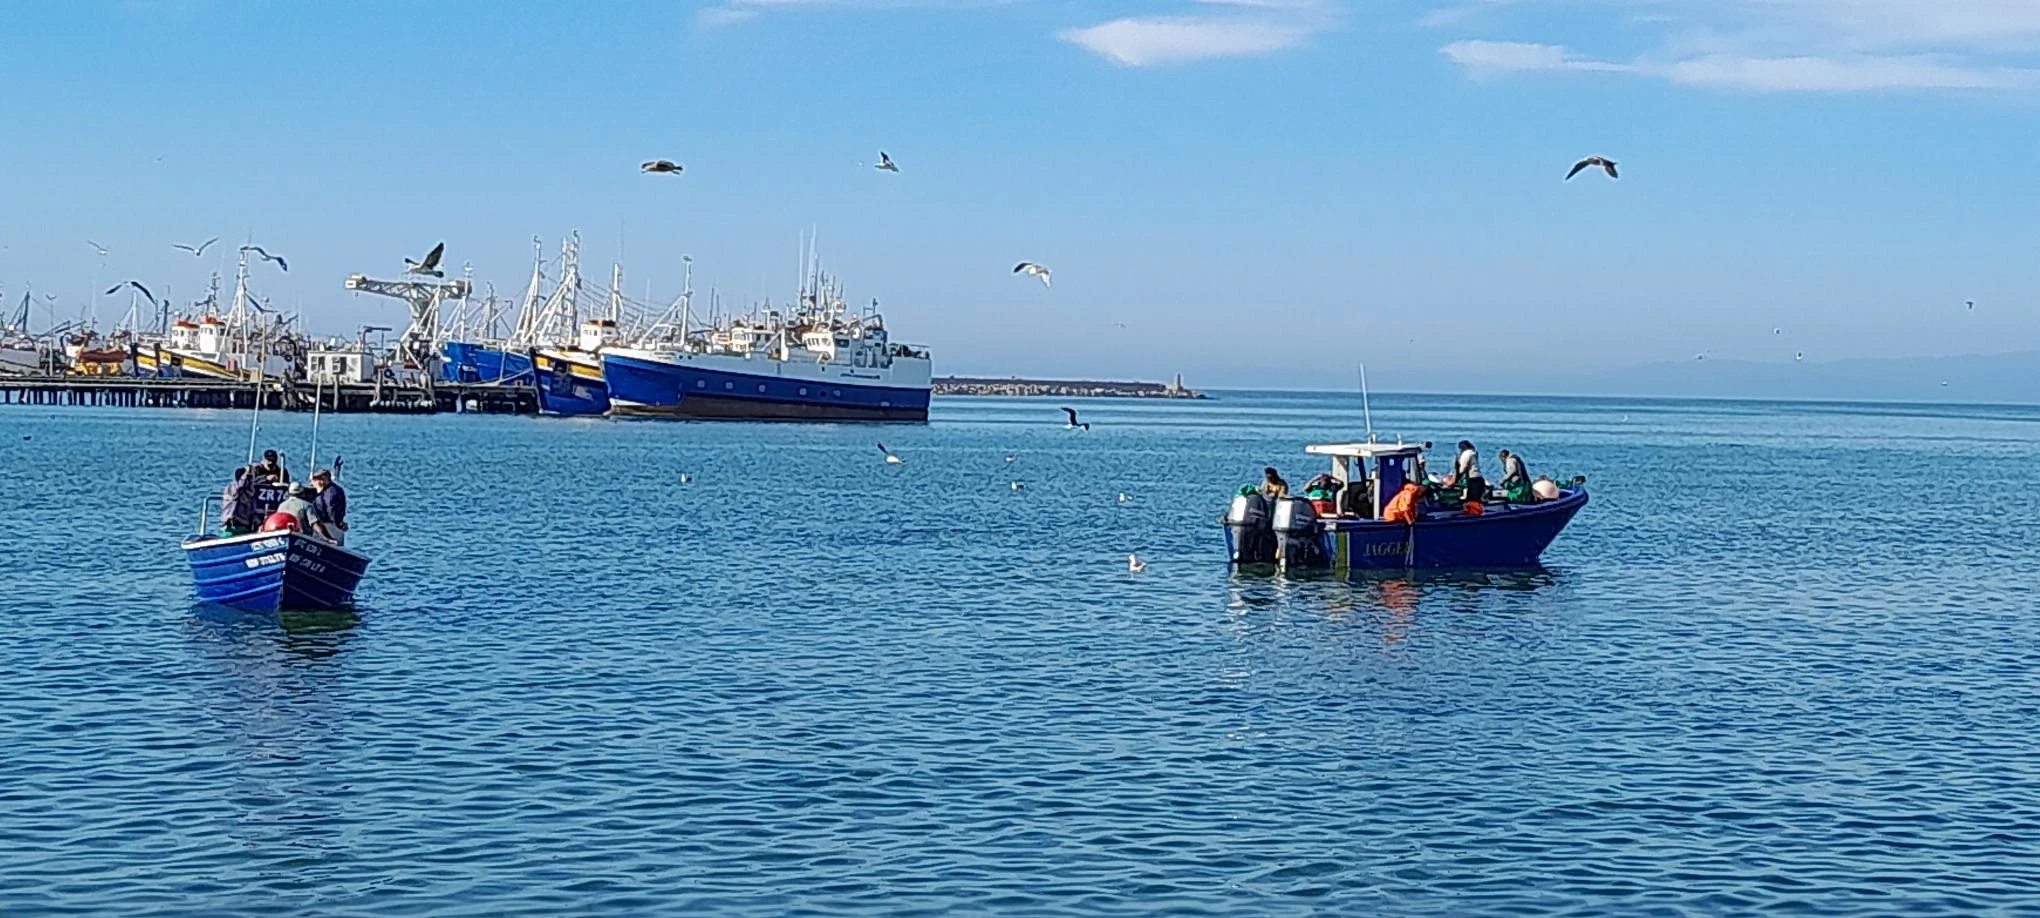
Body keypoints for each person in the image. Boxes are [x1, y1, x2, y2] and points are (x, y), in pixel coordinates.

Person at [309, 469, 348, 546]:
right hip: (332, 524)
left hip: (330, 526)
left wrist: (319, 492)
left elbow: (327, 510)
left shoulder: (331, 491)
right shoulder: (333, 489)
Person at [219, 466, 259, 535]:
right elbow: (238, 488)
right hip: (230, 528)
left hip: (244, 527)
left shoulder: (250, 494)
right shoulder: (231, 488)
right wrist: (246, 473)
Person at [1452, 440, 1485, 504]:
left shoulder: (1466, 454)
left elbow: (1462, 469)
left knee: (1471, 499)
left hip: (1472, 479)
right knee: (1477, 498)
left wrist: (1457, 477)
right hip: (1479, 477)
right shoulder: (1474, 452)